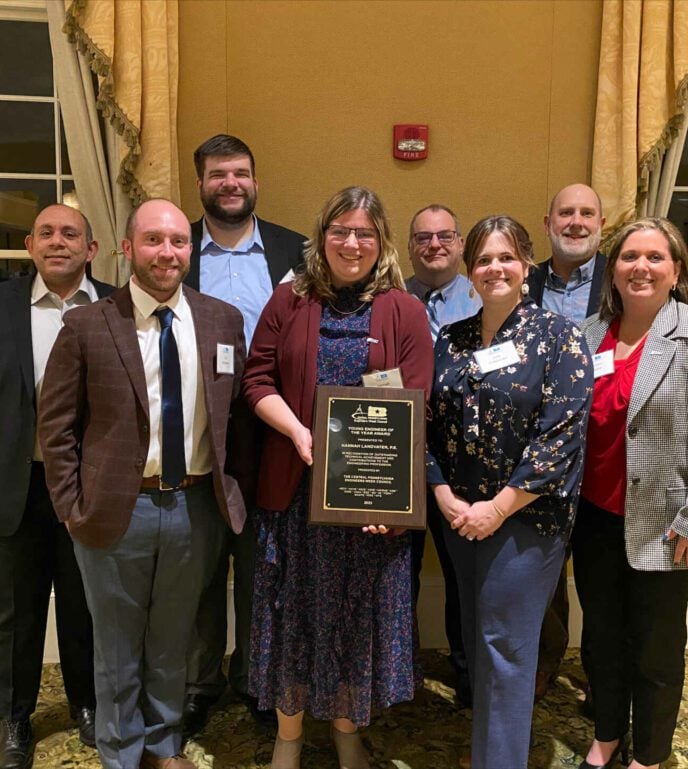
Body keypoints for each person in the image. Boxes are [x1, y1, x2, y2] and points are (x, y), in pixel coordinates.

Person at [38, 199, 249, 769]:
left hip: (196, 506)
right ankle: (121, 750)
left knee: (175, 638)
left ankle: (164, 742)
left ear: (190, 251)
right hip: (114, 511)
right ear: (127, 248)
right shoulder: (87, 323)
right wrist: (71, 508)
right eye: (154, 240)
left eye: (178, 241)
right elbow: (55, 427)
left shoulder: (222, 320)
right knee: (115, 645)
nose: (168, 253)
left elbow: (236, 417)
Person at [242, 186, 433, 769]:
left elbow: (416, 405)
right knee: (291, 617)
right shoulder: (289, 301)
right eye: (340, 231)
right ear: (320, 238)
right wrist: (299, 432)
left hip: (366, 505)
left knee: (354, 623)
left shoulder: (403, 310)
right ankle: (289, 737)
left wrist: (390, 490)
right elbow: (258, 381)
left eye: (365, 233)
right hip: (296, 500)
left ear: (382, 243)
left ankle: (348, 731)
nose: (352, 243)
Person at [0, 204, 108, 769]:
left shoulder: (115, 306)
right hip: (10, 484)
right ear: (30, 246)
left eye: (71, 234)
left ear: (92, 249)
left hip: (85, 487)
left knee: (85, 605)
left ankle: (88, 703)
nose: (58, 242)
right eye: (47, 233)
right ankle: (14, 718)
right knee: (15, 611)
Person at [573, 218, 688, 769]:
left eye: (654, 257)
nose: (640, 267)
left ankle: (648, 753)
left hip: (670, 525)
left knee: (655, 647)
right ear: (613, 269)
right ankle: (606, 734)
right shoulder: (586, 333)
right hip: (595, 519)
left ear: (676, 270)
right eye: (629, 256)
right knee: (600, 639)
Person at [427, 215, 592, 769]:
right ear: (468, 271)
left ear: (525, 265)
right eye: (483, 260)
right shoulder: (452, 340)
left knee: (505, 650)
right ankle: (490, 754)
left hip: (525, 522)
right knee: (478, 645)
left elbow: (561, 436)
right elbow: (425, 425)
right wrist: (444, 495)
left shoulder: (560, 338)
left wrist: (498, 508)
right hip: (460, 519)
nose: (494, 268)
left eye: (505, 258)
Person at [182, 133, 306, 734]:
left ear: (256, 179)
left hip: (274, 433)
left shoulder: (296, 251)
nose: (230, 183)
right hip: (197, 432)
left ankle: (257, 679)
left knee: (263, 567)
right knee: (203, 565)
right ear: (199, 183)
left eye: (240, 173)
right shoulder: (176, 250)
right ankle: (201, 682)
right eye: (217, 174)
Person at [528, 182, 607, 701]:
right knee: (541, 580)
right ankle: (536, 680)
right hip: (536, 455)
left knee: (602, 586)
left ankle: (606, 692)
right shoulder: (521, 280)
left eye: (587, 213)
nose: (575, 222)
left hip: (605, 454)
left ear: (602, 224)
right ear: (548, 221)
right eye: (565, 213)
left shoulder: (622, 279)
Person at [403, 203, 480, 707]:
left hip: (462, 465)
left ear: (459, 245)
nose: (434, 244)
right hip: (400, 458)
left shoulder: (486, 297)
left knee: (464, 576)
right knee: (395, 573)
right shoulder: (391, 299)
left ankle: (469, 677)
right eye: (423, 237)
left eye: (445, 236)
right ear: (410, 247)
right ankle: (396, 674)